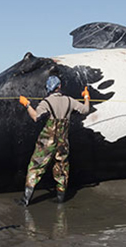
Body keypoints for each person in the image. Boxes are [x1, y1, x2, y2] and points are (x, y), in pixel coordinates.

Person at [17, 75, 90, 206]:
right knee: (62, 168)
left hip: (47, 141)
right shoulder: (70, 100)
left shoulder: (46, 102)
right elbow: (86, 110)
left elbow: (35, 117)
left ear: (48, 88)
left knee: (35, 167)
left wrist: (26, 104)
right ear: (59, 87)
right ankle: (60, 199)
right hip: (63, 141)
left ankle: (26, 200)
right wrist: (86, 97)